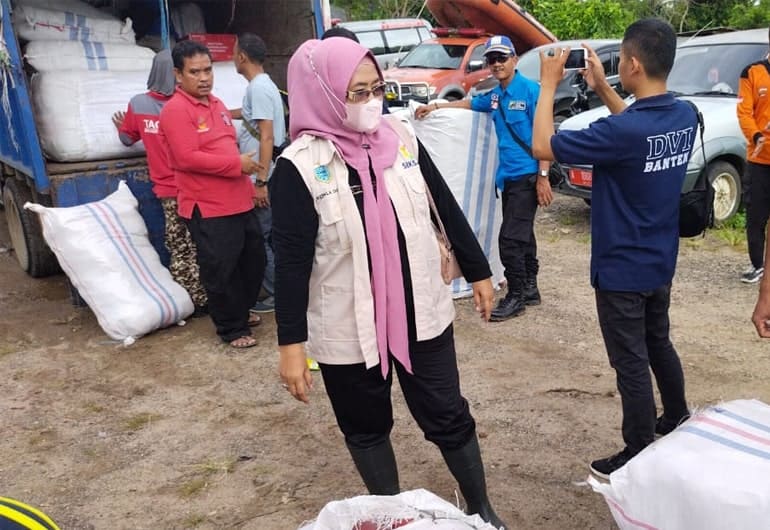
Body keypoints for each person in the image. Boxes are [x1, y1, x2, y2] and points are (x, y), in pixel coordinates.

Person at [271, 37, 506, 528]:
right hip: (347, 325)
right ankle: (395, 517)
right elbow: (290, 263)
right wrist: (291, 343)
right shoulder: (298, 168)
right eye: (356, 92)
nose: (370, 102)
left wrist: (479, 270)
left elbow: (444, 204)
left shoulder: (399, 137)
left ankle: (481, 507)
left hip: (420, 308)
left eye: (376, 88)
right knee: (365, 425)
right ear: (324, 93)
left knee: (447, 412)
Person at [531, 18, 692, 478]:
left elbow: (543, 143)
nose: (617, 65)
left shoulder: (625, 132)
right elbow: (637, 127)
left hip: (621, 268)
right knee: (658, 342)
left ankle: (638, 449)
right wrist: (603, 87)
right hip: (659, 260)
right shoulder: (681, 114)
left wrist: (548, 86)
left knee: (631, 363)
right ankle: (677, 414)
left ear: (634, 64)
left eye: (620, 59)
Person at [415, 35, 553, 322]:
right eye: (492, 59)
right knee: (523, 235)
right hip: (509, 178)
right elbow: (470, 104)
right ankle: (530, 288)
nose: (497, 64)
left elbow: (546, 136)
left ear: (514, 59)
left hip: (528, 176)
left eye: (502, 58)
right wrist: (437, 107)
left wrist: (543, 176)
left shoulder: (531, 91)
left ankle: (516, 295)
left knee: (510, 240)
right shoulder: (496, 96)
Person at [159, 40, 266, 348]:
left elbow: (227, 145)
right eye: (195, 72)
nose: (204, 77)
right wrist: (237, 164)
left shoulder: (216, 104)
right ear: (179, 75)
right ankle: (231, 328)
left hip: (238, 198)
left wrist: (249, 179)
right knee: (222, 269)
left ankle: (240, 311)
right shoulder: (176, 110)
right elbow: (185, 158)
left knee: (253, 259)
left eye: (208, 70)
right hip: (208, 206)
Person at [112, 49, 208, 315]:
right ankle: (209, 295)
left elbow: (127, 139)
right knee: (203, 242)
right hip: (196, 186)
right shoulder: (187, 103)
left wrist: (123, 127)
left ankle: (192, 301)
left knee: (179, 246)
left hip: (168, 190)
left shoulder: (139, 104)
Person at [231, 33, 287, 313]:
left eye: (234, 52)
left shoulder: (259, 88)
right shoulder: (261, 86)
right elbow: (251, 114)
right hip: (266, 172)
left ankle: (279, 294)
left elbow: (266, 136)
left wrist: (261, 182)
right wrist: (222, 112)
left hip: (264, 175)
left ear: (242, 57)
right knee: (267, 235)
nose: (232, 57)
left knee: (261, 236)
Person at [737, 35, 770, 284]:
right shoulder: (752, 72)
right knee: (756, 215)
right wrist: (756, 134)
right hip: (759, 161)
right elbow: (744, 112)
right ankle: (758, 264)